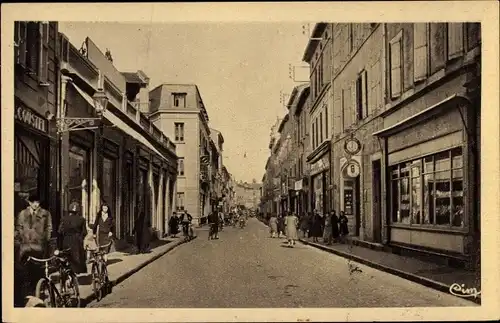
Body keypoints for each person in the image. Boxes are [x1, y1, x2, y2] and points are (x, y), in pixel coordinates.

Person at [14, 193, 52, 307]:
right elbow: (18, 227)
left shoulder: (45, 214)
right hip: (25, 244)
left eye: (37, 202)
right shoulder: (22, 214)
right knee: (22, 267)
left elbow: (49, 228)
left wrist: (44, 239)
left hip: (38, 245)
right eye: (33, 202)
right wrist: (21, 237)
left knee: (36, 266)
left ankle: (35, 290)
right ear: (29, 203)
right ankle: (27, 291)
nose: (36, 204)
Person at [58, 201, 87, 275]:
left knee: (67, 257)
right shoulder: (82, 219)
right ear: (78, 210)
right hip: (77, 241)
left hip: (66, 240)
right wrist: (80, 237)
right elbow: (84, 232)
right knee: (77, 259)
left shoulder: (64, 219)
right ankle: (75, 276)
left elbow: (60, 231)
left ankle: (67, 275)